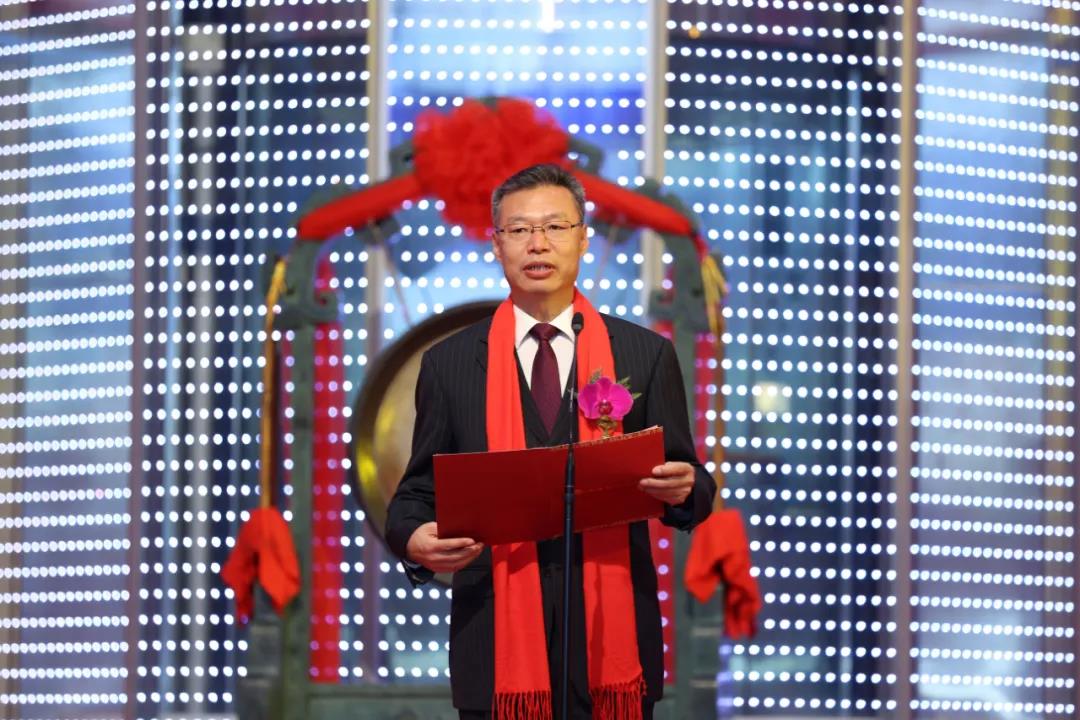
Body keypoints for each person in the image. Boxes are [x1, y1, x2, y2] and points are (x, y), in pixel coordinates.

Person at [385, 163, 715, 720]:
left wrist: (684, 489)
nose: (537, 244)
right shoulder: (449, 363)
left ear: (583, 239)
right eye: (519, 230)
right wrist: (413, 539)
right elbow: (414, 496)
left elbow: (692, 484)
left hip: (611, 641)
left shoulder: (643, 354)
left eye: (556, 227)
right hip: (495, 643)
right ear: (497, 245)